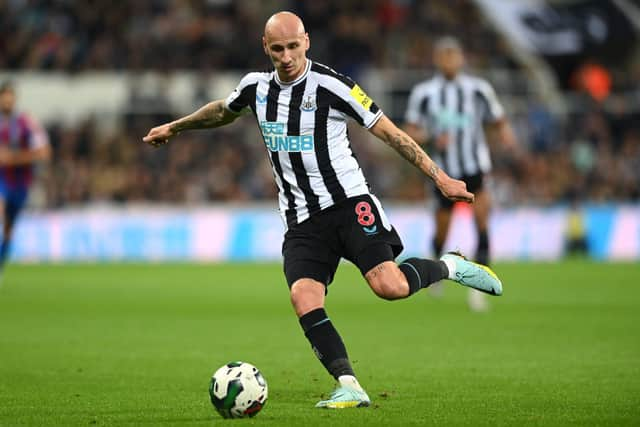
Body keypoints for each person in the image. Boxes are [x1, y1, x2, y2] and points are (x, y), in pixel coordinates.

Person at [143, 12, 503, 409]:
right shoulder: (255, 88)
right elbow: (221, 111)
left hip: (349, 204)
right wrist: (175, 127)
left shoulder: (333, 85)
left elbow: (390, 133)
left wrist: (440, 177)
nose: (286, 56)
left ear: (307, 42)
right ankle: (349, 384)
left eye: (293, 46)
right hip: (301, 219)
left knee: (391, 287)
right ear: (266, 47)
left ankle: (450, 266)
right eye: (277, 48)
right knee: (304, 297)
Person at [404, 36, 517, 312]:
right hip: (443, 173)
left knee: (482, 225)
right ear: (437, 59)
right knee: (442, 231)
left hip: (476, 167)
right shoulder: (425, 93)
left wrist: (505, 134)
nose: (449, 60)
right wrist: (430, 136)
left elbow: (497, 118)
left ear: (462, 58)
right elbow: (409, 131)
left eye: (454, 55)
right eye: (444, 55)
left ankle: (480, 290)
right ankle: (436, 269)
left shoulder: (478, 89)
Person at [0, 81, 51, 273]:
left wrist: (14, 158)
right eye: (4, 97)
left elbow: (45, 152)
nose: (7, 101)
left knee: (8, 233)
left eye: (10, 97)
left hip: (20, 184)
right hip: (1, 180)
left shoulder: (26, 122)